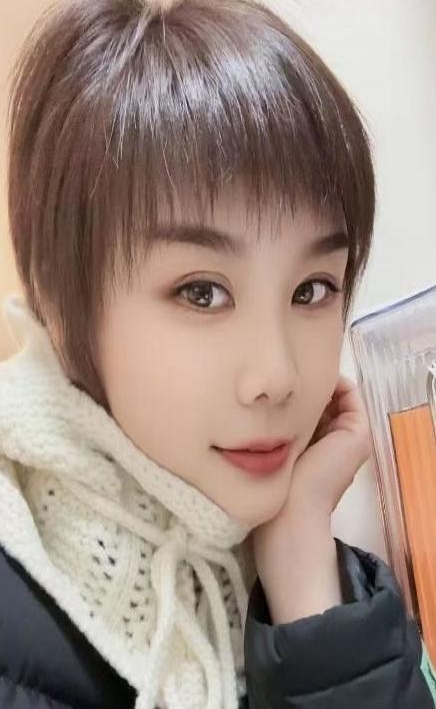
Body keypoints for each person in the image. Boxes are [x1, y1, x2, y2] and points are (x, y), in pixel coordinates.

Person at [0, 0, 434, 708]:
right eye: (202, 292)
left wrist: (302, 566)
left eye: (312, 289)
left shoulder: (314, 558)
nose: (276, 376)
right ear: (56, 290)